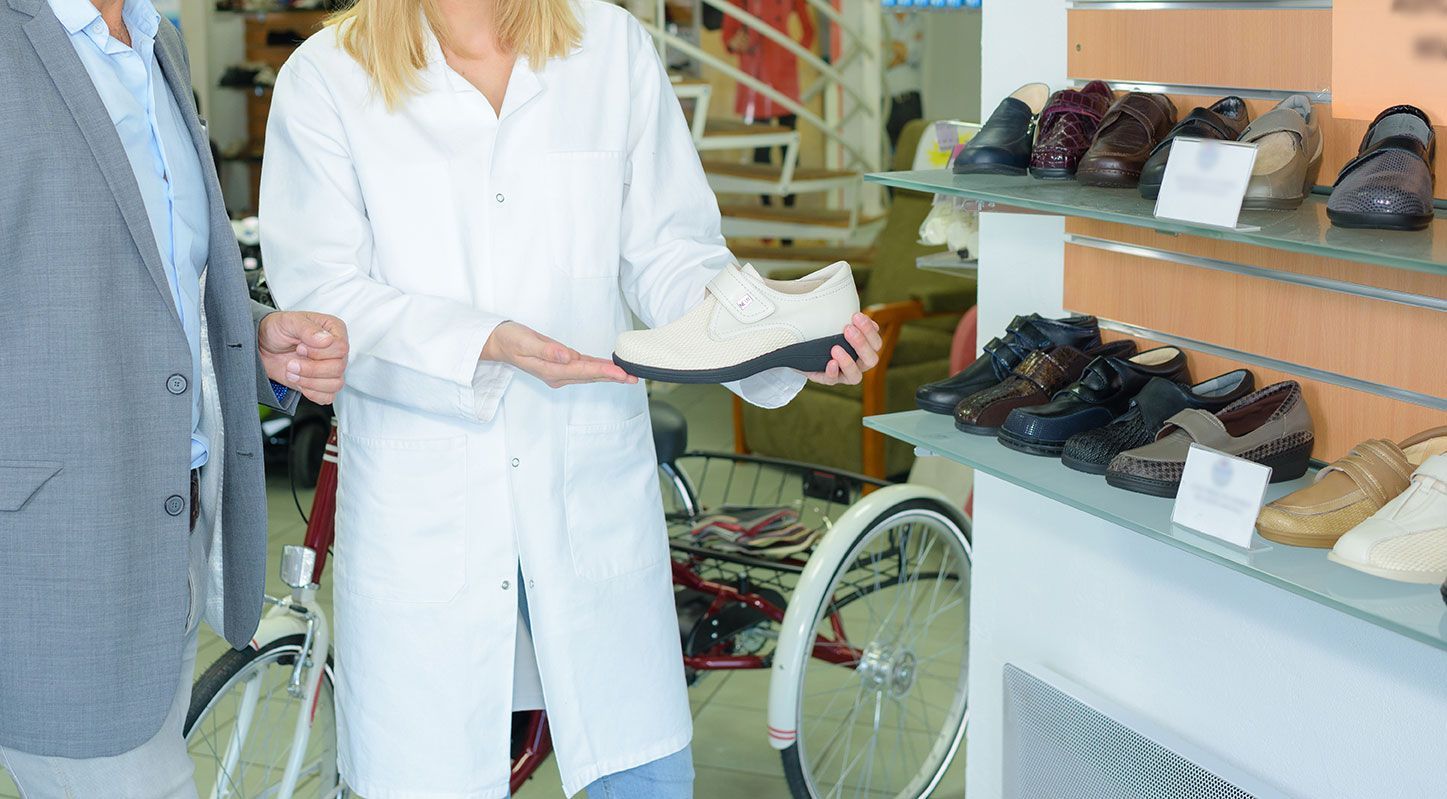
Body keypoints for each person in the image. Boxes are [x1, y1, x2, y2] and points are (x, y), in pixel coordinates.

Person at [258, 0, 882, 796]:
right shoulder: (328, 75)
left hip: (586, 485)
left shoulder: (607, 45)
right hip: (428, 507)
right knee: (427, 765)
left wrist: (763, 334)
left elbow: (667, 252)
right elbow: (324, 292)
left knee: (636, 766)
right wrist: (487, 340)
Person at [0, 0, 350, 794]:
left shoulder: (156, 40)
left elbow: (156, 272)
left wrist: (252, 335)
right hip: (47, 552)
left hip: (172, 518)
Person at [723, 0, 815, 211]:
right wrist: (736, 42)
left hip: (783, 73)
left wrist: (794, 52)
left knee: (789, 145)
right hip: (755, 71)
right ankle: (767, 209)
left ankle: (789, 210)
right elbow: (728, 34)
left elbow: (808, 29)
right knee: (761, 147)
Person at [884, 10, 924, 149]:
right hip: (885, 99)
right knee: (886, 155)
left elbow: (914, 53)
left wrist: (890, 47)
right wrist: (901, 52)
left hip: (910, 100)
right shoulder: (879, 16)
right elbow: (880, 58)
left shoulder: (917, 19)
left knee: (912, 151)